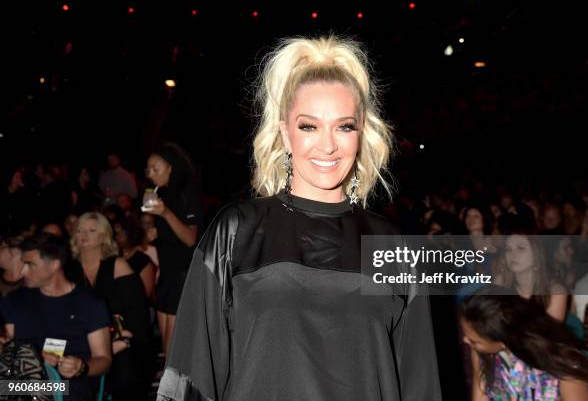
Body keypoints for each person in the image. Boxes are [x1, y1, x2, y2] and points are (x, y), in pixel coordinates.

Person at [157, 35, 441, 401]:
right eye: (309, 126)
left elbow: (420, 384)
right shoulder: (237, 230)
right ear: (285, 135)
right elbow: (192, 373)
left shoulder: (390, 245)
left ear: (360, 134)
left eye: (344, 126)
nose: (327, 145)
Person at [0, 233, 112, 401]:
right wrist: (36, 357)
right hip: (19, 383)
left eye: (29, 264)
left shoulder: (90, 303)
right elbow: (7, 349)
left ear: (54, 265)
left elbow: (104, 359)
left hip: (68, 384)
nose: (22, 271)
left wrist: (82, 367)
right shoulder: (15, 300)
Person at [460, 285, 588, 401]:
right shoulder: (484, 354)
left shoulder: (563, 364)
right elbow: (479, 397)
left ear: (505, 341)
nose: (464, 341)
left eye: (474, 341)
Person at [69, 212, 151, 400]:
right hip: (82, 344)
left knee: (125, 374)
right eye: (80, 230)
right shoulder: (69, 268)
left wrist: (119, 344)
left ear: (103, 236)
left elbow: (137, 316)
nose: (83, 235)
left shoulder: (117, 265)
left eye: (91, 230)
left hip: (121, 342)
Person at [144, 142, 203, 356]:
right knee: (167, 350)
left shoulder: (187, 193)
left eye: (155, 168)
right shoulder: (161, 193)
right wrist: (154, 232)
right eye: (148, 169)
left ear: (171, 167)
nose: (150, 173)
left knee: (174, 351)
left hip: (184, 275)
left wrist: (165, 214)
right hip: (168, 275)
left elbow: (190, 239)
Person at [494, 233, 568, 321]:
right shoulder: (501, 282)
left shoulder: (556, 291)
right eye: (508, 249)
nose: (512, 255)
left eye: (521, 248)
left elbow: (552, 332)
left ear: (536, 253)